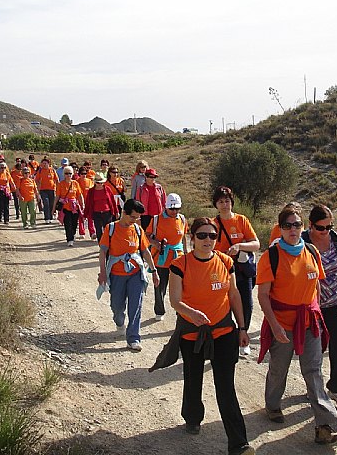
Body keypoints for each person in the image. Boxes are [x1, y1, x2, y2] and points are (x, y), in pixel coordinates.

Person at [151, 217, 255, 455]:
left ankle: (239, 444)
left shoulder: (226, 261)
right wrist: (191, 313)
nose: (207, 240)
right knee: (193, 377)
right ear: (192, 238)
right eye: (202, 236)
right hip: (192, 334)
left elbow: (234, 295)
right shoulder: (180, 265)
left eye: (212, 236)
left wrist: (242, 328)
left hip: (224, 332)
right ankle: (192, 417)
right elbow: (175, 300)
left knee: (226, 387)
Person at [256, 205, 337, 445]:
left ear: (303, 227)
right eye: (287, 225)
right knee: (279, 368)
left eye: (296, 224)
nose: (292, 229)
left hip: (308, 322)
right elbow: (263, 295)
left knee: (314, 371)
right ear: (280, 229)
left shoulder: (312, 252)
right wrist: (274, 326)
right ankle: (273, 405)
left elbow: (316, 285)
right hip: (283, 323)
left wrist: (316, 311)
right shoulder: (270, 257)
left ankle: (323, 426)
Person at [301, 204, 337, 412]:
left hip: (335, 302)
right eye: (321, 228)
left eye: (329, 226)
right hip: (311, 305)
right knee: (314, 351)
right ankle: (313, 389)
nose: (326, 231)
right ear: (311, 225)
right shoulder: (302, 241)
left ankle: (336, 389)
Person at [98, 199, 159, 351]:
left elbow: (145, 251)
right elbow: (103, 251)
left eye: (138, 217)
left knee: (136, 305)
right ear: (124, 213)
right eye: (133, 217)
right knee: (117, 305)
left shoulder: (138, 230)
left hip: (135, 273)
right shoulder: (111, 228)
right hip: (117, 274)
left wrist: (154, 271)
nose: (135, 220)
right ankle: (119, 321)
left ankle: (133, 338)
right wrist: (103, 273)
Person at [213, 186, 260, 357]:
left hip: (241, 271)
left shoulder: (242, 220)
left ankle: (243, 337)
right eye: (220, 202)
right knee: (222, 305)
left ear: (232, 202)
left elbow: (256, 244)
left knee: (246, 304)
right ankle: (222, 339)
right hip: (222, 271)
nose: (224, 205)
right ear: (216, 204)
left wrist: (239, 246)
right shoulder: (213, 224)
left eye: (227, 201)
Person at [146, 193, 188, 321]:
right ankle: (159, 310)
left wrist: (186, 254)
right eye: (172, 208)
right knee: (160, 286)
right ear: (166, 207)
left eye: (177, 209)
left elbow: (184, 237)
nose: (174, 211)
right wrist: (155, 244)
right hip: (161, 257)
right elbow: (146, 235)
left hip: (178, 258)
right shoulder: (156, 219)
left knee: (180, 287)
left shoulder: (182, 219)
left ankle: (180, 312)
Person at [53, 166, 84, 247]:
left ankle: (72, 235)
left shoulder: (75, 183)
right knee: (68, 224)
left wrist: (82, 204)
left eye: (70, 173)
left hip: (74, 207)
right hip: (65, 207)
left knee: (74, 223)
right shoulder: (61, 184)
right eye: (66, 173)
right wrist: (54, 208)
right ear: (64, 174)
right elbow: (57, 196)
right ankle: (69, 239)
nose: (68, 175)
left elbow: (80, 195)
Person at [84, 172, 119, 243]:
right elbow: (88, 203)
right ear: (95, 182)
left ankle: (109, 244)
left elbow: (112, 201)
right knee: (98, 230)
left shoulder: (107, 189)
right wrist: (85, 214)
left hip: (107, 213)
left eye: (101, 183)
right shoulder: (91, 191)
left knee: (108, 230)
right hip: (96, 213)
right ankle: (101, 245)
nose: (100, 184)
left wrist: (116, 211)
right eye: (98, 183)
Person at [35, 158, 59, 224]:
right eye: (43, 163)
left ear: (48, 164)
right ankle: (46, 218)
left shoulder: (52, 170)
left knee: (51, 204)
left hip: (52, 189)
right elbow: (36, 180)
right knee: (46, 203)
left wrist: (58, 189)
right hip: (43, 190)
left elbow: (57, 180)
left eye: (45, 163)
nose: (44, 165)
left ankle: (50, 217)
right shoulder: (40, 171)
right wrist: (38, 186)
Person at [77, 166, 95, 239]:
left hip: (89, 202)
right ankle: (82, 232)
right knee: (81, 217)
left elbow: (92, 191)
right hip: (80, 202)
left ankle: (92, 232)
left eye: (85, 173)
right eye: (82, 173)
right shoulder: (76, 182)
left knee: (90, 217)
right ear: (79, 174)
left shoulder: (90, 181)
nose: (84, 175)